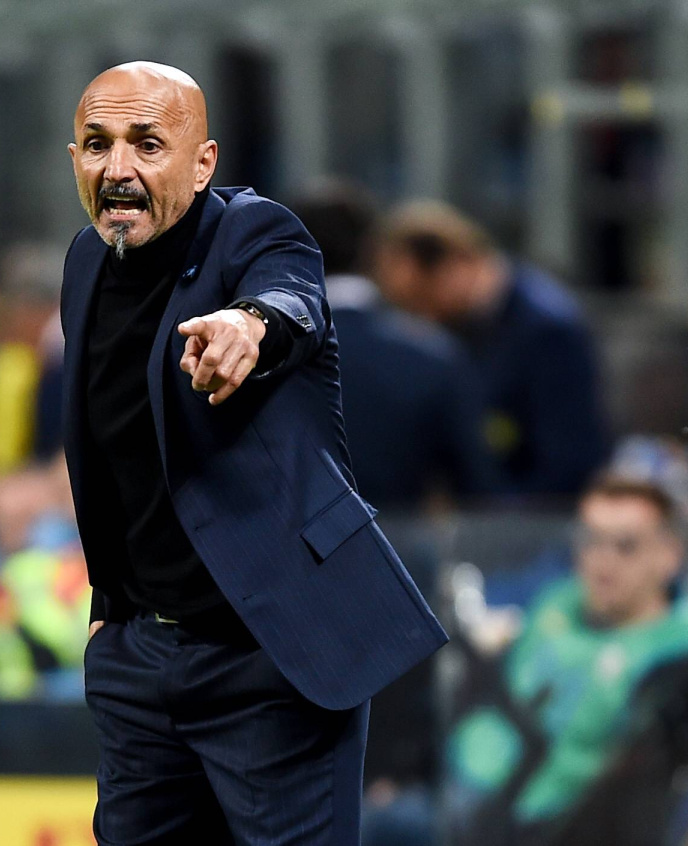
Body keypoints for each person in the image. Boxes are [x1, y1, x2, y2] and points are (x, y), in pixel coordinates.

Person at [61, 62, 447, 846]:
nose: (118, 169)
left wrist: (249, 325)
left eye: (147, 144)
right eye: (97, 145)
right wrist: (111, 612)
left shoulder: (255, 230)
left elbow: (293, 299)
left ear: (203, 163)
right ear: (75, 159)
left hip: (268, 658)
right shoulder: (85, 261)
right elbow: (112, 450)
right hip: (140, 659)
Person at [448, 475, 688, 844]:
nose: (603, 559)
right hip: (468, 794)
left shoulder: (673, 660)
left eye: (625, 546)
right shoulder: (554, 604)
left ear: (669, 555)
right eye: (591, 540)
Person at [374, 201, 610, 500]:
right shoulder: (469, 323)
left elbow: (568, 462)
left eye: (421, 298)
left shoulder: (547, 330)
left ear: (454, 265)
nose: (422, 317)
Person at [293, 182, 495, 510]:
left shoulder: (250, 357)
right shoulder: (433, 357)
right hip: (397, 542)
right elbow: (481, 494)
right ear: (373, 253)